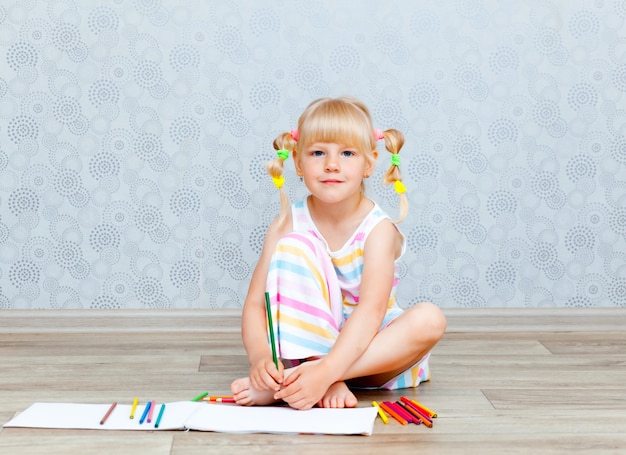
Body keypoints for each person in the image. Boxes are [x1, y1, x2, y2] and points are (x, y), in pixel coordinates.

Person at [230, 97, 447, 410]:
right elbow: (255, 305)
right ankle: (302, 378)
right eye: (318, 152)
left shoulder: (378, 229)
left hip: (370, 357)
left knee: (430, 318)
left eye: (347, 153)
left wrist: (328, 370)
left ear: (369, 163)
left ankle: (313, 379)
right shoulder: (286, 224)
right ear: (298, 163)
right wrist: (261, 359)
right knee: (294, 246)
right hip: (301, 349)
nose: (332, 164)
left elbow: (371, 312)